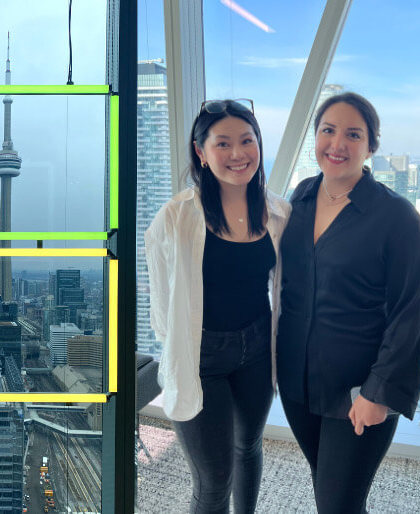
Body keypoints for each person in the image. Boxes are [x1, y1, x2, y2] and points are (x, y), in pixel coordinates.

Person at [276, 92, 420, 513]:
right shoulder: (300, 199)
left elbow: (408, 316)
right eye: (328, 130)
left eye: (352, 134)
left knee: (337, 505)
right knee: (329, 490)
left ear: (371, 147)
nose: (337, 144)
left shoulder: (397, 217)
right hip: (298, 382)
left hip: (360, 388)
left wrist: (378, 393)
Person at [145, 98, 290, 514]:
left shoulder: (278, 211)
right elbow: (160, 298)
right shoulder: (175, 217)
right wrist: (175, 346)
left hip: (258, 347)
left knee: (248, 446)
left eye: (247, 141)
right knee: (213, 480)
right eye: (222, 143)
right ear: (200, 152)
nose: (237, 154)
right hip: (200, 355)